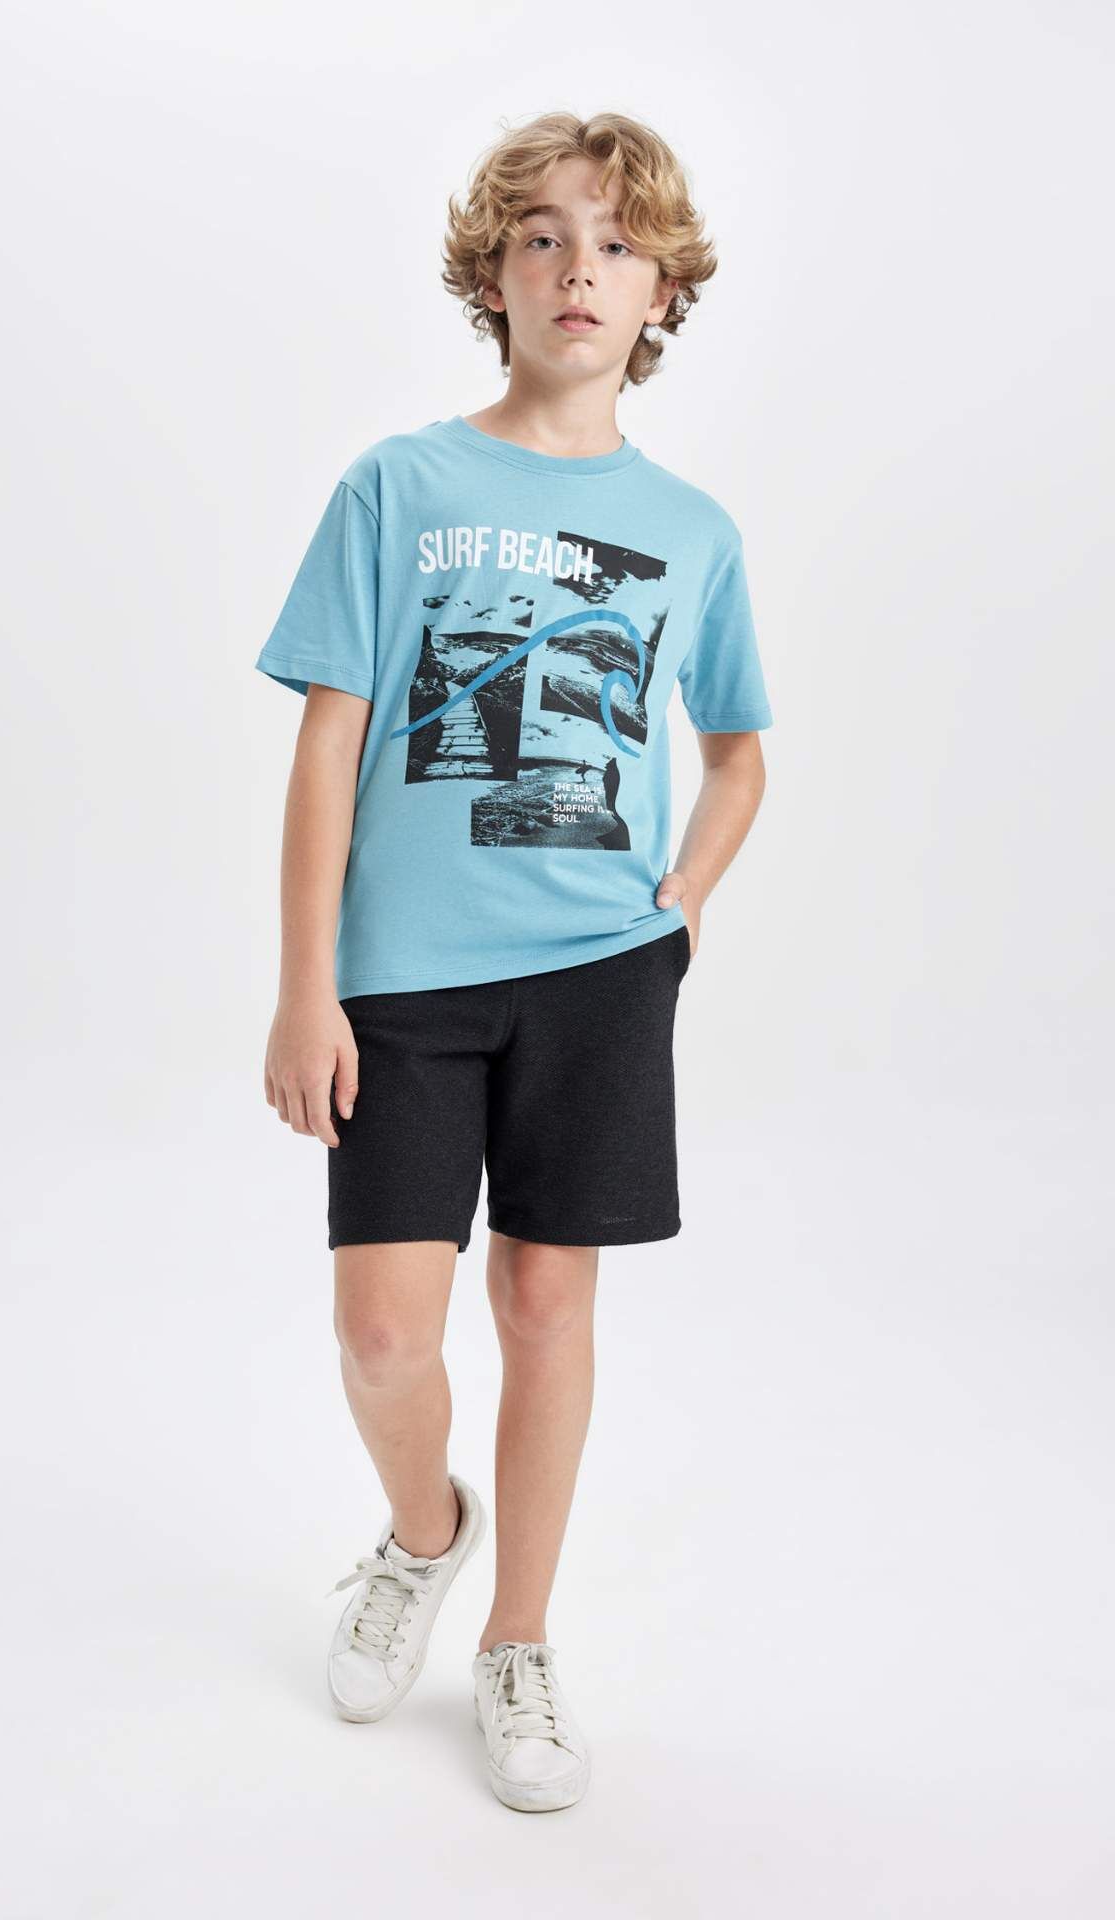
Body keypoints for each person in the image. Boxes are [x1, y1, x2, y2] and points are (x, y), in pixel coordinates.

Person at [254, 109, 773, 1813]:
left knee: (549, 1302)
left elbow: (739, 753)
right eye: (543, 235)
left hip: (601, 972)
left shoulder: (692, 529)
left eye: (618, 245)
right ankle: (427, 1534)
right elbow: (329, 743)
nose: (579, 269)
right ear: (494, 273)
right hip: (402, 977)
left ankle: (519, 1640)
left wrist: (681, 898)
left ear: (663, 294)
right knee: (381, 1332)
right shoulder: (398, 487)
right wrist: (306, 984)